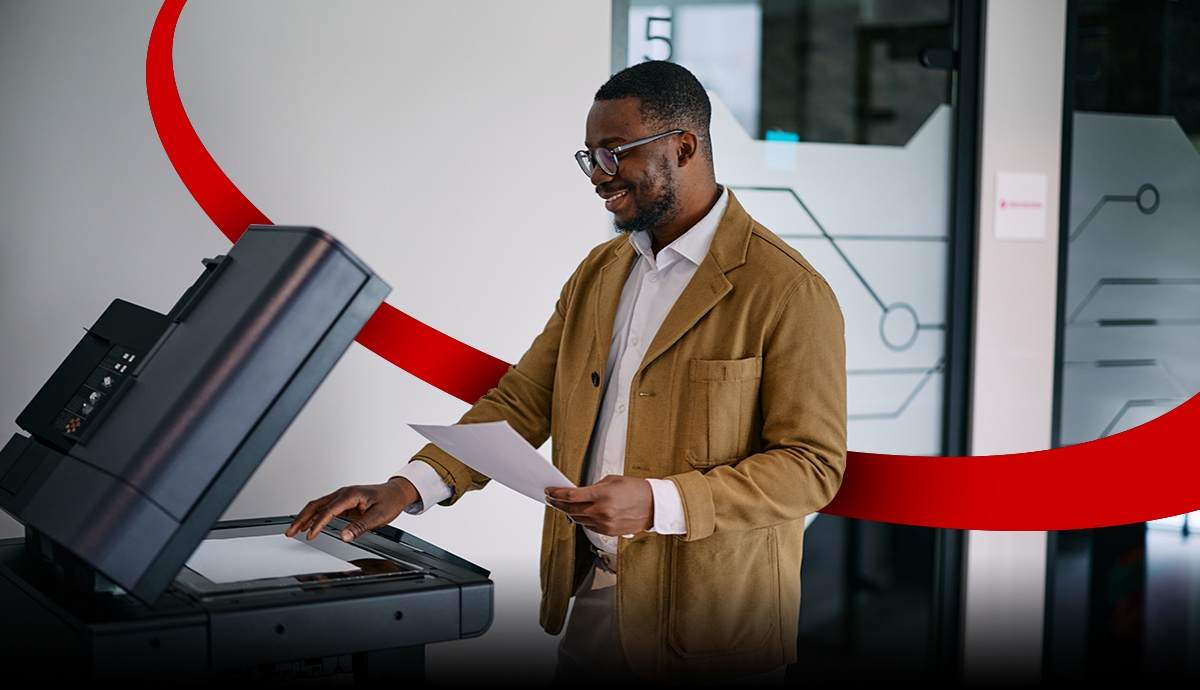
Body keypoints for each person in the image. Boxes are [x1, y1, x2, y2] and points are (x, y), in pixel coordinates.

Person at [286, 60, 847, 684]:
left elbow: (812, 467)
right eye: (590, 157)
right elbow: (526, 398)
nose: (598, 177)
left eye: (614, 154)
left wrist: (661, 502)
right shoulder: (600, 272)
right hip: (595, 598)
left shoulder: (788, 290)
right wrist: (410, 486)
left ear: (684, 147)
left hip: (715, 628)